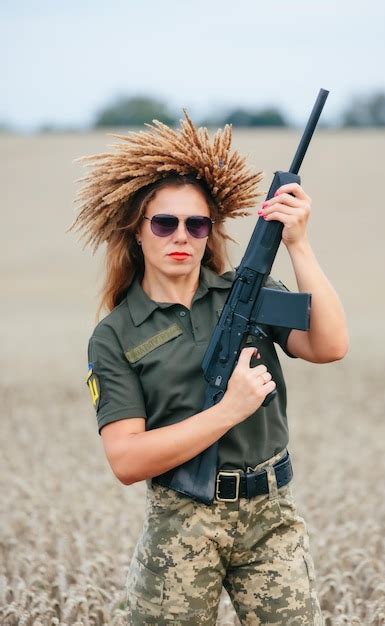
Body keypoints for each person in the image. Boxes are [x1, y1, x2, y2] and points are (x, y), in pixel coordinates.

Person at [69, 113, 348, 625]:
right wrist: (228, 411)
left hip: (271, 518)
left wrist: (298, 244)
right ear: (137, 231)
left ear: (209, 231)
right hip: (181, 523)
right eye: (165, 222)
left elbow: (330, 345)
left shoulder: (246, 293)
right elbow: (127, 460)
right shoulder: (115, 336)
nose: (182, 236)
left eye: (197, 224)